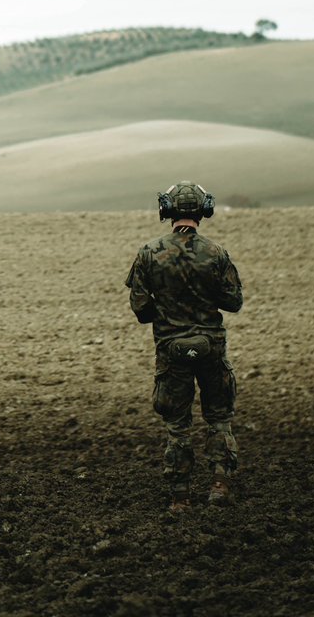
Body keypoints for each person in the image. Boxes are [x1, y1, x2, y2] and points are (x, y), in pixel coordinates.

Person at [125, 181, 243, 514]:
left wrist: (166, 308)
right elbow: (233, 302)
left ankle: (180, 497)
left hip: (171, 350)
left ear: (166, 210)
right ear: (204, 211)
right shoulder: (216, 253)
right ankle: (220, 484)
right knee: (219, 419)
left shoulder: (149, 253)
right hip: (211, 348)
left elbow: (140, 310)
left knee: (177, 426)